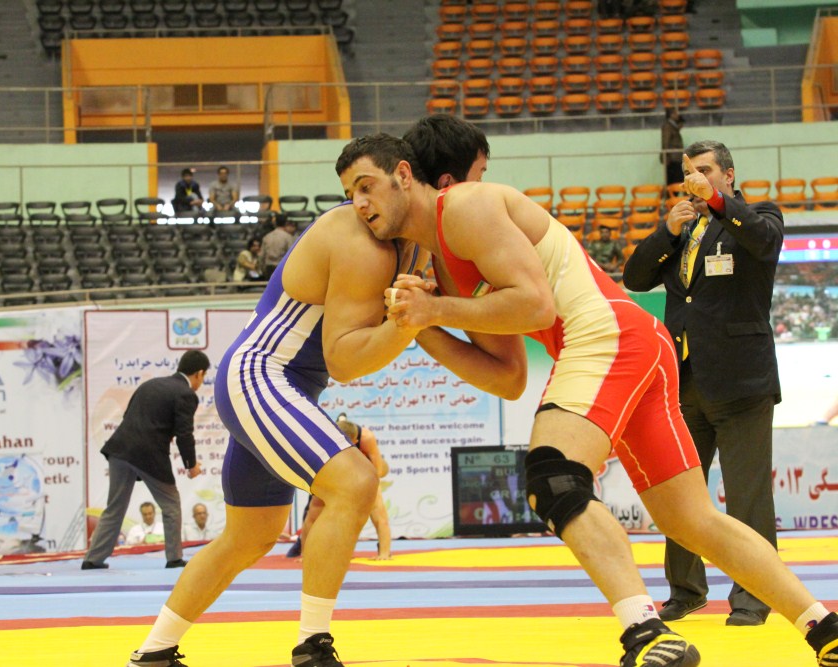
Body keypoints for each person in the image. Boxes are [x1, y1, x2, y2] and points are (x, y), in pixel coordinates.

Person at [355, 124, 838, 667]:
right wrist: (420, 326)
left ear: (419, 179)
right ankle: (826, 629)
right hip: (633, 341)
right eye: (480, 171)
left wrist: (436, 310)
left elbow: (537, 307)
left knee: (553, 478)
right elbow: (507, 377)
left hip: (605, 336)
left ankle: (646, 632)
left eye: (365, 188)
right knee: (691, 520)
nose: (485, 182)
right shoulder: (446, 259)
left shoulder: (466, 207)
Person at [123, 137, 427, 667]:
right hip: (261, 376)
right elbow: (346, 363)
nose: (359, 203)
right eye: (352, 191)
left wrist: (422, 316)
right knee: (356, 482)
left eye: (365, 188)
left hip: (278, 385)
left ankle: (153, 652)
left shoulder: (409, 245)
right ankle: (312, 646)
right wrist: (412, 323)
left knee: (251, 535)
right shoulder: (358, 241)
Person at [623, 141, 783, 627]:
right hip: (686, 381)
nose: (695, 178)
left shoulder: (760, 215)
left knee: (747, 497)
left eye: (706, 170)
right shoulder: (685, 228)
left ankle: (755, 595)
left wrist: (715, 202)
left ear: (729, 175)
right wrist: (666, 231)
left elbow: (763, 240)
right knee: (680, 494)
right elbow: (635, 278)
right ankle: (686, 590)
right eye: (690, 171)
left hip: (742, 382)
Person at [82, 351, 209, 571]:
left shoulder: (150, 385)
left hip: (119, 450)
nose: (201, 382)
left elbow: (131, 418)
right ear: (199, 373)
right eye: (203, 377)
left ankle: (93, 559)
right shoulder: (186, 394)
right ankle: (174, 558)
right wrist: (191, 465)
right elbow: (184, 434)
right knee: (171, 505)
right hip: (149, 455)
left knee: (114, 507)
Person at [288, 419, 393, 561]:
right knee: (314, 512)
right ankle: (306, 553)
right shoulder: (324, 440)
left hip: (362, 472)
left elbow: (378, 471)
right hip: (334, 472)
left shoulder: (367, 438)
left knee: (377, 511)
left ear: (356, 441)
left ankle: (385, 552)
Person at [662, 108, 686, 187]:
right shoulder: (668, 126)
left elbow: (681, 123)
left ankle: (673, 194)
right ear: (671, 115)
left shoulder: (673, 125)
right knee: (673, 181)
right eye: (676, 113)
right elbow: (665, 142)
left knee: (678, 179)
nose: (678, 115)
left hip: (675, 157)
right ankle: (670, 194)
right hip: (672, 158)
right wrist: (666, 156)